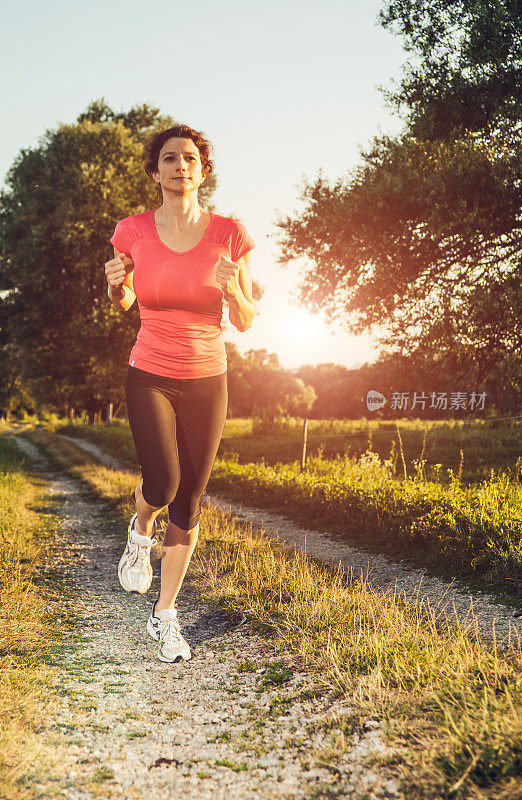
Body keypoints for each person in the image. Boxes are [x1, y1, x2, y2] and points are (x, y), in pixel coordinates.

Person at [104, 124, 256, 663]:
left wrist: (235, 288)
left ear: (203, 170)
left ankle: (164, 615)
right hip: (149, 370)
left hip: (207, 377)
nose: (180, 166)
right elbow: (123, 302)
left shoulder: (229, 235)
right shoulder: (133, 231)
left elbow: (246, 320)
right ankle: (139, 528)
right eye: (169, 159)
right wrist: (114, 283)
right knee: (163, 481)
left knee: (190, 495)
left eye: (190, 159)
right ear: (156, 171)